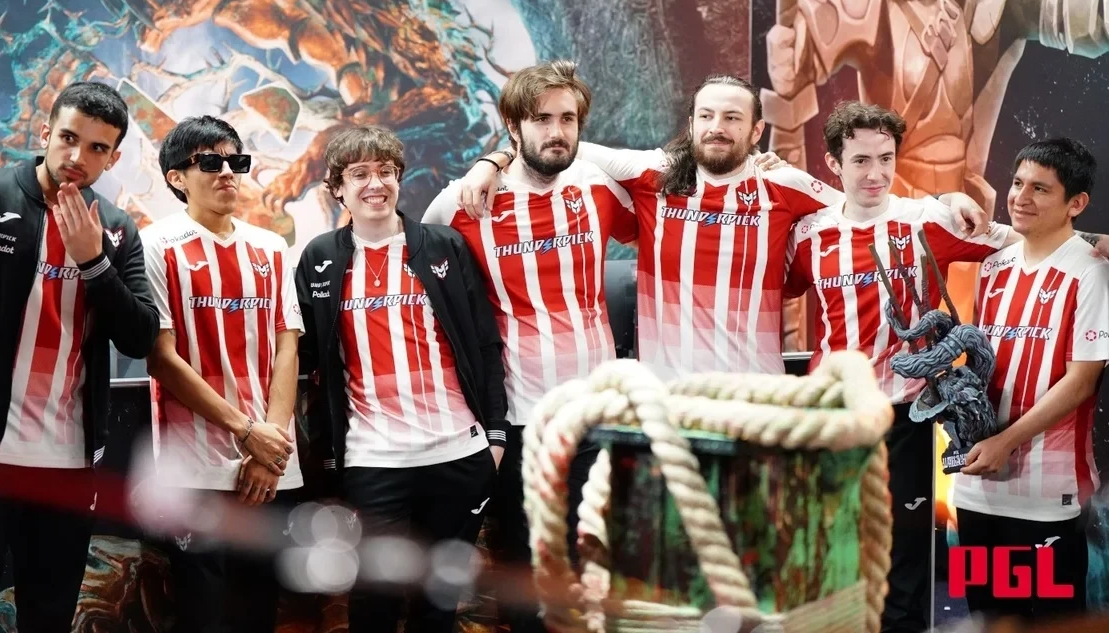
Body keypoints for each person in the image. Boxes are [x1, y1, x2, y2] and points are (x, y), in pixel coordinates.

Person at [458, 75, 984, 379]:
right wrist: (494, 160)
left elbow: (870, 206)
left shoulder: (784, 184)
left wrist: (942, 201)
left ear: (756, 130)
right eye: (707, 116)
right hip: (668, 405)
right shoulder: (652, 173)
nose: (717, 128)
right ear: (690, 124)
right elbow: (556, 146)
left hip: (756, 401)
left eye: (733, 118)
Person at [0, 81, 159, 633]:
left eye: (97, 147)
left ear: (114, 158)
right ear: (45, 133)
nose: (78, 156)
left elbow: (139, 338)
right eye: (68, 138)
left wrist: (94, 262)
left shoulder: (117, 230)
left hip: (67, 465)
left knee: (49, 617)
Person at [422, 60, 637, 632]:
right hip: (520, 419)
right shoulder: (461, 202)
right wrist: (491, 163)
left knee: (597, 559)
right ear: (513, 126)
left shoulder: (599, 185)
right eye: (542, 119)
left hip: (596, 412)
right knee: (525, 564)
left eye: (568, 118)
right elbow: (418, 273)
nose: (557, 131)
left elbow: (673, 190)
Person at [784, 102, 1013, 633]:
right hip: (836, 412)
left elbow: (1020, 240)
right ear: (833, 163)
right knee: (836, 545)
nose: (876, 173)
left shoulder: (927, 220)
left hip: (906, 414)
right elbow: (775, 283)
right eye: (861, 160)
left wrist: (1095, 245)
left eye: (885, 158)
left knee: (906, 551)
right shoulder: (809, 235)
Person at [295, 125, 507, 633]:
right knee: (375, 601)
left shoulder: (443, 246)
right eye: (360, 174)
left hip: (458, 452)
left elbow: (484, 343)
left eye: (386, 172)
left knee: (439, 602)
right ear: (337, 188)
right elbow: (304, 359)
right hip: (374, 458)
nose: (376, 184)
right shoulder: (320, 258)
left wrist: (495, 439)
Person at [142, 116, 303, 633]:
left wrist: (271, 447)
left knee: (259, 609)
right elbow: (161, 358)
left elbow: (287, 344)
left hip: (270, 463)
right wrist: (247, 431)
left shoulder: (271, 247)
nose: (228, 172)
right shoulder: (155, 244)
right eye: (211, 162)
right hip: (194, 468)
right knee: (203, 613)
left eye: (237, 161)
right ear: (176, 177)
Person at [951, 138, 1109, 623]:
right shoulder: (993, 266)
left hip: (1047, 496)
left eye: (1040, 189)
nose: (1021, 197)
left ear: (1076, 204)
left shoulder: (1092, 273)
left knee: (1049, 626)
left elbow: (1081, 383)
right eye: (1018, 183)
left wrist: (1006, 441)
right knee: (987, 621)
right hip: (976, 488)